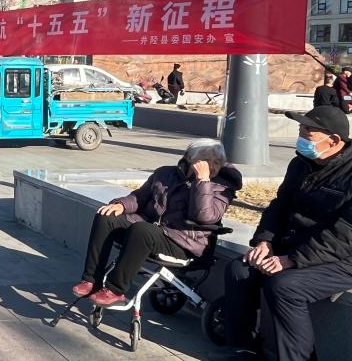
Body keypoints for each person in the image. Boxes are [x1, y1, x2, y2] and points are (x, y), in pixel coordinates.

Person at [223, 105, 352, 361]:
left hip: (342, 257)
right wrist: (265, 241)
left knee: (285, 286)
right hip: (297, 245)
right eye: (300, 129)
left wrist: (293, 259)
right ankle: (243, 348)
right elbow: (280, 205)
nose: (301, 137)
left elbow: (345, 233)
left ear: (334, 140)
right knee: (239, 270)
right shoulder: (301, 163)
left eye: (308, 132)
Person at [73, 139, 241, 307]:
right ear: (189, 158)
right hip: (150, 229)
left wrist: (202, 181)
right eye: (205, 160)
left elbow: (204, 216)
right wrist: (121, 205)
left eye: (217, 161)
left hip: (184, 242)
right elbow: (140, 197)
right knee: (106, 217)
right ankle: (91, 280)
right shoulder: (165, 173)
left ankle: (115, 290)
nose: (212, 165)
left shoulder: (222, 187)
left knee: (143, 230)